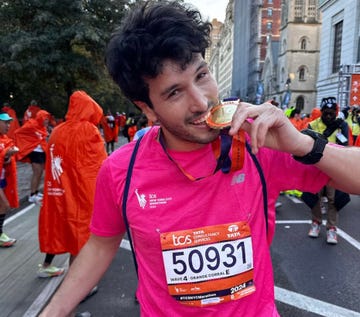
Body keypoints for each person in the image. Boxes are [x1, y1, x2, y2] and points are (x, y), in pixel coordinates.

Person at [40, 2, 360, 316]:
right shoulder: (120, 169)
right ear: (147, 109)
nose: (201, 101)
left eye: (202, 75)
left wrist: (302, 143)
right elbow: (100, 244)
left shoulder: (257, 143)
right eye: (174, 93)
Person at [37, 91, 107, 294]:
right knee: (80, 237)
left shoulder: (58, 130)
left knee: (59, 228)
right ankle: (77, 286)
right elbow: (98, 166)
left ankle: (49, 266)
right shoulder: (88, 131)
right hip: (81, 194)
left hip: (57, 191)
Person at [305, 97, 350, 244]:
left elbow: (345, 145)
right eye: (326, 112)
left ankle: (331, 228)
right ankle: (316, 223)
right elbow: (307, 145)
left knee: (333, 199)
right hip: (316, 167)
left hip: (334, 168)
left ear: (335, 112)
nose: (329, 115)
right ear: (322, 111)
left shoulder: (341, 125)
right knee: (314, 197)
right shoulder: (312, 125)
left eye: (332, 113)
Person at [14, 110, 50, 204]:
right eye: (45, 119)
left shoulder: (43, 127)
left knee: (40, 172)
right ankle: (32, 194)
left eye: (47, 119)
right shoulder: (32, 124)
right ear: (41, 118)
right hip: (35, 151)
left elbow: (42, 137)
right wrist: (29, 144)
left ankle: (36, 192)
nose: (47, 121)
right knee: (37, 172)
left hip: (41, 151)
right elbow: (19, 132)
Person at [0, 112, 19, 247]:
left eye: (9, 122)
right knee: (4, 205)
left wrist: (7, 157)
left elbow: (5, 161)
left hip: (3, 179)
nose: (8, 125)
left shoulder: (5, 140)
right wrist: (5, 154)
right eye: (5, 122)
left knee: (3, 206)